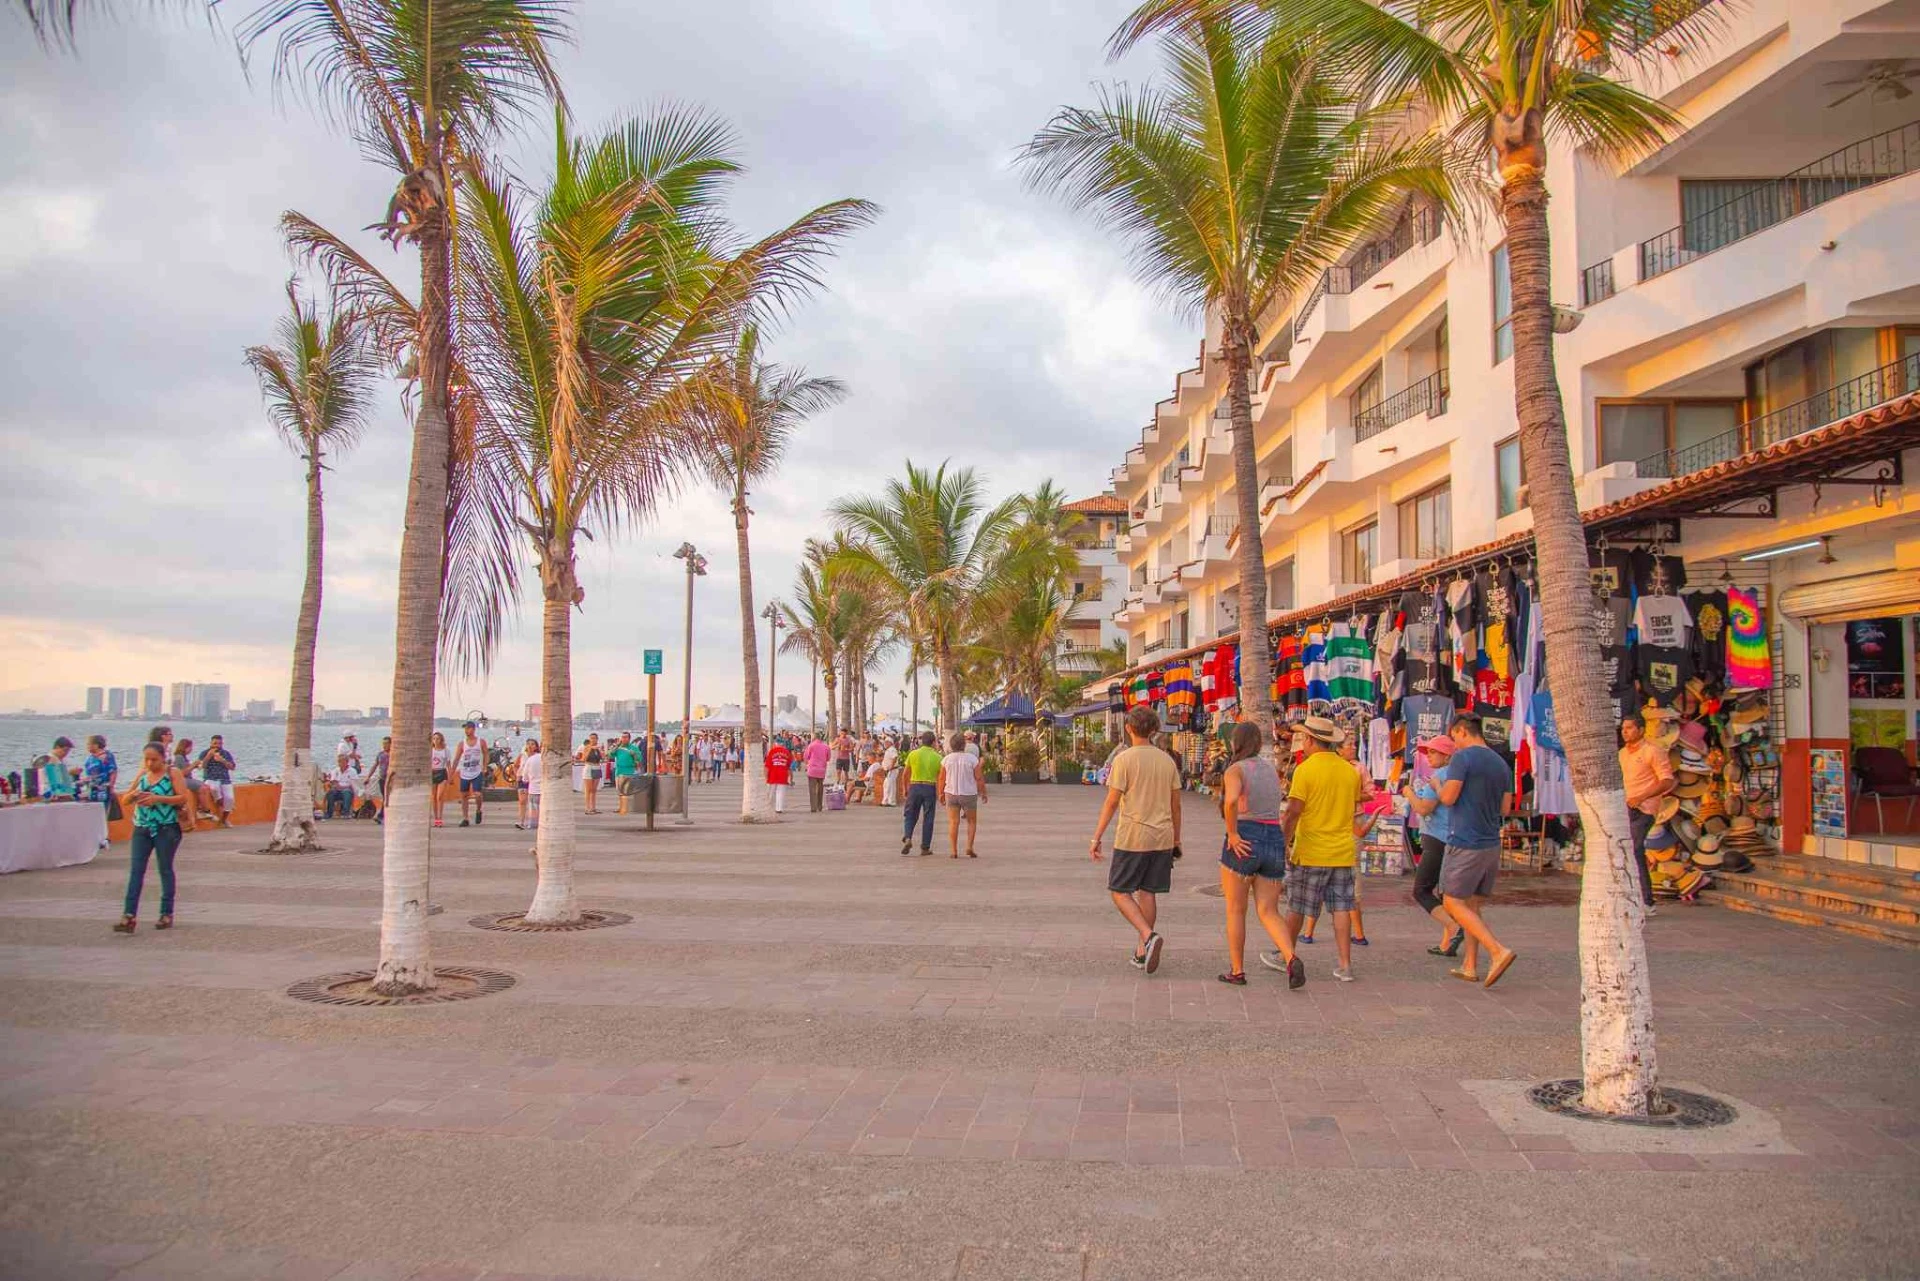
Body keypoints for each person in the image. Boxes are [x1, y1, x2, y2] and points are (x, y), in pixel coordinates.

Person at [1088, 704, 1182, 975]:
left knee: (1119, 890)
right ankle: (1143, 951)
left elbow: (1112, 801)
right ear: (1153, 730)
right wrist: (1177, 839)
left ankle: (1148, 935)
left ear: (1129, 728)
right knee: (1147, 892)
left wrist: (1096, 837)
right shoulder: (1167, 760)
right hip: (1162, 837)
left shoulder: (1125, 760)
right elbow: (1177, 805)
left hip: (1133, 836)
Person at [1216, 723, 1304, 989]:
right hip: (1273, 837)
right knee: (1268, 910)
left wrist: (1232, 833)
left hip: (1245, 835)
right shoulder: (1269, 771)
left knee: (1235, 910)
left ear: (1236, 743)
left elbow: (1231, 801)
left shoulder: (1235, 769)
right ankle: (1290, 958)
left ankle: (1237, 970)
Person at [1279, 715, 1363, 983]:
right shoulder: (1349, 771)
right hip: (1342, 850)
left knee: (1298, 906)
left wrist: (1283, 841)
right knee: (1341, 908)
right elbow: (1352, 810)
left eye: (1303, 738)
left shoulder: (1306, 770)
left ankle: (1286, 955)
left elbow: (1293, 811)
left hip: (1312, 849)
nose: (1301, 742)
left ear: (1312, 740)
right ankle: (1345, 965)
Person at [1436, 715, 1518, 988]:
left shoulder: (1463, 759)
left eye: (1453, 737)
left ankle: (1497, 951)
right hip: (1490, 841)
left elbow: (1448, 798)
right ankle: (1469, 965)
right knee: (1471, 904)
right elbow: (1506, 809)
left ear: (1462, 731)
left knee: (1452, 902)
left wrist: (1438, 786)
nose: (1453, 743)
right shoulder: (1501, 763)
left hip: (1465, 840)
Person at [115, 743, 189, 933]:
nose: (150, 763)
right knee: (136, 871)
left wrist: (158, 798)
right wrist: (134, 795)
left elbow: (182, 798)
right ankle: (129, 915)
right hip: (142, 827)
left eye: (154, 759)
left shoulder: (173, 774)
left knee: (165, 869)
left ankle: (166, 913)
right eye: (147, 759)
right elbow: (124, 799)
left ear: (163, 757)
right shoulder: (143, 775)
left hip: (166, 828)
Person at [1403, 735, 1462, 957]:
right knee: (1446, 893)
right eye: (1427, 752)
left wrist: (1409, 794)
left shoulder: (1439, 777)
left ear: (1446, 755)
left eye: (1433, 752)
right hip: (1453, 837)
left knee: (1421, 890)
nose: (1428, 756)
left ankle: (1455, 928)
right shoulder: (1456, 776)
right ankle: (1448, 942)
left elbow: (1424, 808)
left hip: (1437, 838)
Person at [1619, 711, 1671, 915]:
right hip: (1626, 807)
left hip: (1644, 808)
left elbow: (1666, 780)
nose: (1625, 732)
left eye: (1629, 728)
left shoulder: (1653, 751)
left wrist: (1642, 797)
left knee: (1635, 849)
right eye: (1623, 728)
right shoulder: (1622, 753)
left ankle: (1647, 901)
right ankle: (1634, 897)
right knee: (1629, 852)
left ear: (1641, 729)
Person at [938, 731, 987, 858]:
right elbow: (979, 778)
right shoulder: (972, 759)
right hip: (969, 794)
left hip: (951, 793)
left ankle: (953, 851)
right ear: (964, 745)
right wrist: (983, 793)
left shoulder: (946, 760)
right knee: (971, 822)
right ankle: (969, 847)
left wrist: (940, 793)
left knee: (953, 822)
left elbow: (941, 779)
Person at [899, 731, 943, 855]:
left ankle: (908, 837)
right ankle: (925, 847)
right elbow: (940, 778)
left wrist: (905, 788)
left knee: (910, 814)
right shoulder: (938, 757)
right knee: (928, 817)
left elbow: (905, 773)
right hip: (930, 787)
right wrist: (940, 793)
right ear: (933, 742)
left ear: (921, 741)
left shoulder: (913, 754)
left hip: (914, 786)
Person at [197, 735, 237, 828]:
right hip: (210, 778)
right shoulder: (204, 753)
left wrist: (222, 761)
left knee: (230, 798)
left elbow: (232, 767)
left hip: (224, 779)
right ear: (211, 743)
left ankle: (224, 819)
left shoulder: (226, 753)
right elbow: (201, 766)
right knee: (214, 788)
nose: (217, 745)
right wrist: (209, 756)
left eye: (219, 743)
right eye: (215, 743)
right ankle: (222, 803)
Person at [456, 722, 488, 828]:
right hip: (464, 772)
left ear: (473, 729)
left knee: (477, 794)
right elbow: (456, 759)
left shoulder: (481, 742)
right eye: (465, 728)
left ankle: (478, 810)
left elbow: (486, 754)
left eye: (468, 728)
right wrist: (451, 773)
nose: (466, 730)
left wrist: (484, 766)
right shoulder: (462, 744)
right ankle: (465, 818)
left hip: (477, 772)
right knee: (464, 795)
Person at [83, 735, 119, 819]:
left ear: (96, 745)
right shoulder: (90, 758)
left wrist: (111, 786)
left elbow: (113, 771)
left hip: (103, 789)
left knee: (102, 815)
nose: (87, 747)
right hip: (91, 789)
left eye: (89, 744)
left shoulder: (107, 756)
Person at [612, 733, 642, 816]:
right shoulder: (618, 748)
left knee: (628, 790)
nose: (623, 739)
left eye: (625, 737)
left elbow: (639, 758)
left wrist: (634, 754)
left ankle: (628, 807)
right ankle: (621, 807)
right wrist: (616, 746)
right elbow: (610, 754)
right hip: (619, 771)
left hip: (630, 771)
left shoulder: (634, 748)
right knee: (620, 790)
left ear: (629, 738)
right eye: (622, 737)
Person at [518, 738, 543, 832]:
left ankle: (533, 822)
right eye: (528, 744)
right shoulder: (523, 755)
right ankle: (522, 821)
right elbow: (517, 765)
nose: (530, 746)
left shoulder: (538, 757)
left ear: (536, 747)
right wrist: (517, 775)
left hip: (533, 783)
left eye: (532, 744)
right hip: (524, 780)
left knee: (533, 803)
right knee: (522, 801)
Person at [803, 732, 832, 813]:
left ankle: (813, 807)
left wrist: (807, 764)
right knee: (820, 788)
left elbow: (806, 756)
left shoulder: (811, 746)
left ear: (814, 738)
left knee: (812, 789)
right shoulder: (826, 746)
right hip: (822, 770)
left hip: (812, 769)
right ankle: (819, 806)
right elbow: (828, 758)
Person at [429, 731, 451, 827]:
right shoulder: (430, 750)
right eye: (434, 739)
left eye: (437, 738)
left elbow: (448, 764)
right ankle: (436, 819)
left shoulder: (445, 750)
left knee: (439, 796)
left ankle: (440, 817)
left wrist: (450, 776)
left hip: (442, 773)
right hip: (432, 772)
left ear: (441, 740)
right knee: (433, 797)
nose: (435, 740)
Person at [367, 736, 392, 824]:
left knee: (387, 797)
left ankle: (381, 815)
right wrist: (368, 777)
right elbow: (375, 765)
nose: (385, 745)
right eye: (383, 744)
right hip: (382, 778)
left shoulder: (393, 755)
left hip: (390, 779)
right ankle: (382, 815)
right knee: (385, 797)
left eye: (386, 743)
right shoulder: (380, 754)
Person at [577, 735, 604, 815]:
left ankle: (593, 807)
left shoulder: (598, 748)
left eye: (594, 738)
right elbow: (583, 759)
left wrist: (601, 751)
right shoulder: (586, 747)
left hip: (597, 767)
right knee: (588, 789)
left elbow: (603, 758)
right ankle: (587, 808)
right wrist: (590, 749)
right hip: (589, 767)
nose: (593, 740)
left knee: (594, 790)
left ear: (597, 739)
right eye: (591, 738)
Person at [765, 736, 792, 814]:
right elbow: (789, 766)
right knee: (780, 793)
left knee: (770, 794)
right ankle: (779, 809)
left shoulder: (772, 751)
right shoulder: (787, 752)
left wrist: (765, 777)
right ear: (783, 744)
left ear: (775, 743)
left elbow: (767, 765)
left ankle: (767, 807)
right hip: (783, 776)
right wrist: (790, 778)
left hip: (772, 776)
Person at [881, 737, 901, 807]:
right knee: (886, 785)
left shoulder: (892, 750)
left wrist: (891, 766)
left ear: (890, 743)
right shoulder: (888, 750)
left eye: (887, 742)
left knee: (891, 786)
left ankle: (891, 802)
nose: (885, 743)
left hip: (892, 770)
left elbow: (894, 758)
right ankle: (885, 801)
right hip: (888, 770)